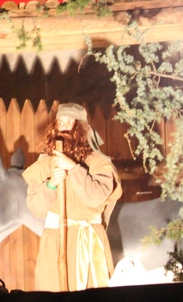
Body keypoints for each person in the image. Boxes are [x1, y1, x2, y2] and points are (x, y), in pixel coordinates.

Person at [22, 103, 120, 291]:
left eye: (70, 121)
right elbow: (35, 208)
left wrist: (74, 169)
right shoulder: (43, 166)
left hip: (90, 241)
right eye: (60, 122)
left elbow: (95, 197)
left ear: (81, 128)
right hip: (55, 242)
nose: (64, 126)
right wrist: (51, 185)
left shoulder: (100, 164)